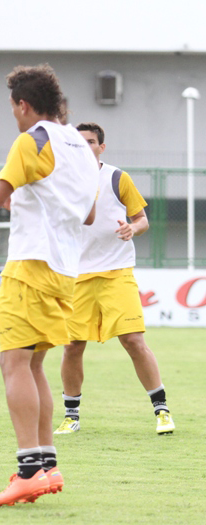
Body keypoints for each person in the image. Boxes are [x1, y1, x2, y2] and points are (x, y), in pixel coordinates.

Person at [0, 64, 98, 505]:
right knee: (32, 366)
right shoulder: (80, 148)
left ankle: (28, 469)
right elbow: (85, 213)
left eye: (14, 109)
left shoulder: (33, 140)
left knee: (13, 365)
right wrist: (31, 198)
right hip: (65, 268)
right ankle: (46, 467)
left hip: (31, 265)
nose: (14, 116)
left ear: (24, 105)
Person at [54, 122, 174, 436]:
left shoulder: (118, 177)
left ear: (101, 147)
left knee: (133, 340)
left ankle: (161, 411)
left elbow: (142, 219)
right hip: (76, 276)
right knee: (72, 347)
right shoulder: (60, 179)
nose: (86, 147)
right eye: (80, 142)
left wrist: (131, 229)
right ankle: (71, 416)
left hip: (116, 273)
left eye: (92, 142)